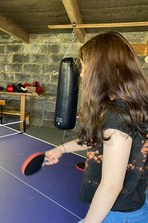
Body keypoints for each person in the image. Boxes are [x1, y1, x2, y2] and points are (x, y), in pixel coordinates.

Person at [44, 31, 148, 222]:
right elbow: (103, 140)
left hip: (118, 213)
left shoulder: (116, 115)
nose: (82, 74)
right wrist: (62, 148)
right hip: (136, 200)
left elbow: (111, 186)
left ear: (100, 70)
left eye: (84, 67)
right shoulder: (133, 103)